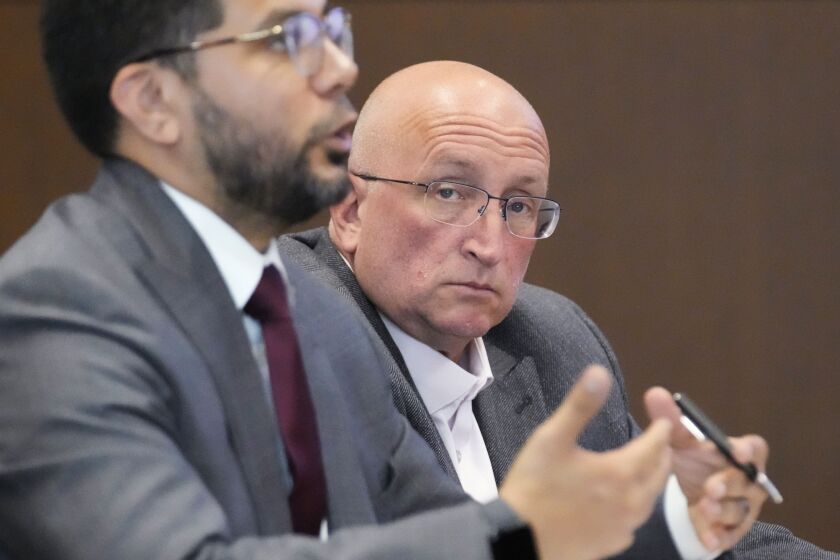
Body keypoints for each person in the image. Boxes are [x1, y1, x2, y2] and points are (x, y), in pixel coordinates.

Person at [0, 2, 691, 560]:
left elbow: (439, 530)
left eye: (335, 28)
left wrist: (671, 521)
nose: (339, 67)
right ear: (153, 101)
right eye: (288, 37)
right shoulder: (49, 314)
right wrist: (521, 527)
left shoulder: (309, 313)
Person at [279, 61, 837, 559]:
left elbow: (638, 537)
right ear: (351, 210)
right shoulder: (288, 334)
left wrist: (684, 518)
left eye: (519, 206)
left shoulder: (554, 342)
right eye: (449, 192)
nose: (489, 245)